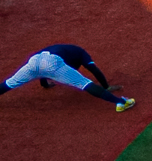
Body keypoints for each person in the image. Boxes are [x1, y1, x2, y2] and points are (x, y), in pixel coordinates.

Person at [0, 44, 134, 111]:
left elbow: (41, 69)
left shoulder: (64, 50)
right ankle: (121, 103)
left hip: (34, 61)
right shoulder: (82, 53)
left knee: (10, 83)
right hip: (51, 62)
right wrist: (106, 86)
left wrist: (45, 85)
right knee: (84, 83)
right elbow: (93, 69)